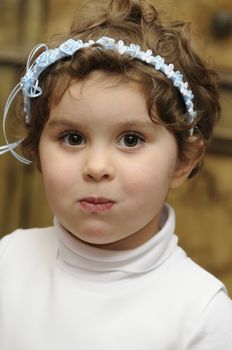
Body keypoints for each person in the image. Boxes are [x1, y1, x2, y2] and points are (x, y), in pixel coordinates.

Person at [0, 0, 232, 349]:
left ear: (184, 160)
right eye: (73, 138)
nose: (96, 167)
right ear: (36, 149)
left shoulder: (201, 314)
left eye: (131, 139)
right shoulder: (10, 260)